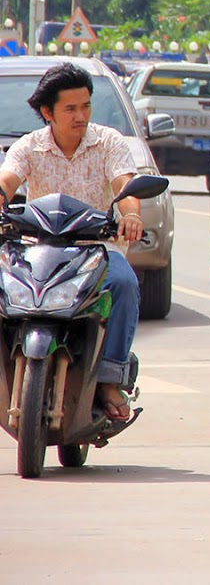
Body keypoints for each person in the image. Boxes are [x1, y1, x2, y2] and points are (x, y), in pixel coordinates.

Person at [0, 62, 146, 421]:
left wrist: (131, 214)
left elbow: (125, 186)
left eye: (86, 106)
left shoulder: (109, 142)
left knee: (125, 283)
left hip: (95, 250)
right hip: (37, 252)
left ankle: (110, 377)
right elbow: (7, 180)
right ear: (47, 113)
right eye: (70, 108)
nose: (80, 116)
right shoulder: (29, 147)